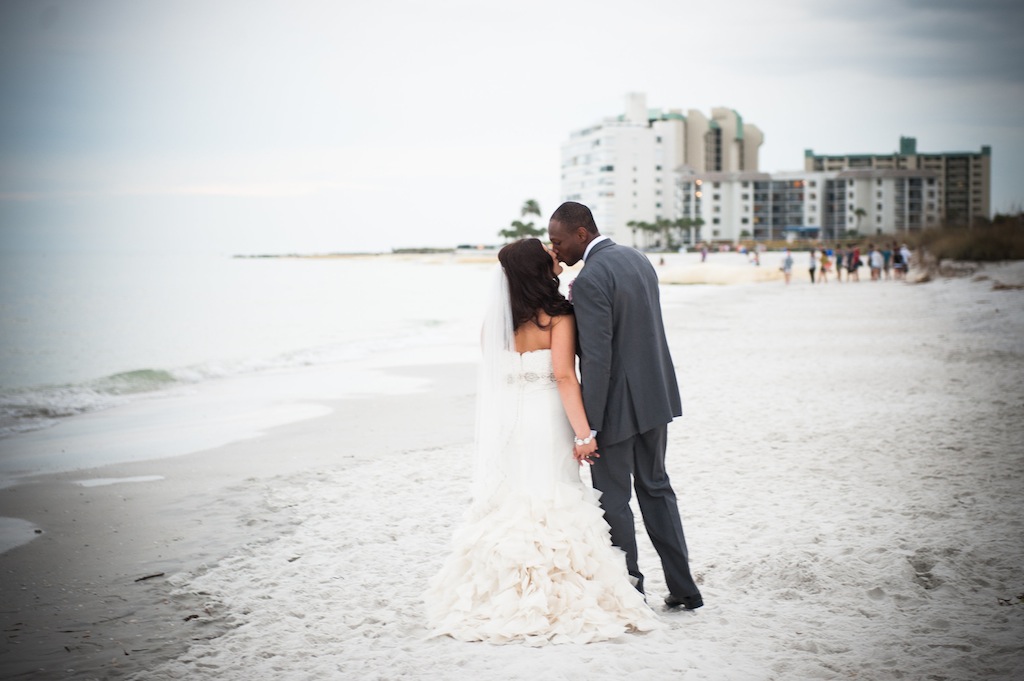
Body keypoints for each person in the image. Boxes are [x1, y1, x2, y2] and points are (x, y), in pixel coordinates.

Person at [425, 238, 659, 644]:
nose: (556, 256)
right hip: (548, 418)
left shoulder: (494, 322)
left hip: (512, 424)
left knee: (517, 496)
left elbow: (496, 376)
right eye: (548, 255)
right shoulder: (557, 317)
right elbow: (566, 378)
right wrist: (585, 434)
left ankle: (502, 588)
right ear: (537, 269)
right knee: (553, 493)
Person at [547, 201, 704, 612]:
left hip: (616, 407)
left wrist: (590, 428)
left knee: (612, 500)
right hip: (655, 394)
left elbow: (597, 360)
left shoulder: (589, 279)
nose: (556, 249)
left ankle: (631, 593)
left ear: (582, 234)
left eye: (559, 241)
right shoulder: (637, 258)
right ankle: (685, 589)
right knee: (656, 489)